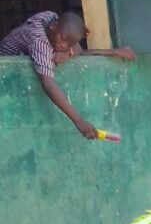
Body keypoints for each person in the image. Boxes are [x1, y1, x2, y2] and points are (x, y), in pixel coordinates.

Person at [0, 10, 135, 139]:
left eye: (69, 43)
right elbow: (48, 83)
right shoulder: (39, 42)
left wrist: (68, 53)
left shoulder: (51, 17)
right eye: (63, 38)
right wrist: (78, 120)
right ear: (53, 27)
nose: (63, 45)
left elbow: (79, 49)